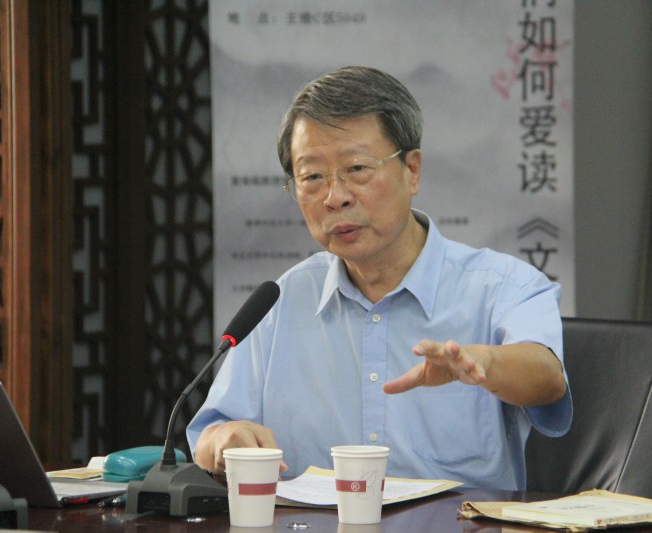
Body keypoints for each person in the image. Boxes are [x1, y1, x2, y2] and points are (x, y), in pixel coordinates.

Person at [187, 66, 572, 490]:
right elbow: (208, 436)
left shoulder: (504, 286)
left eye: (357, 168)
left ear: (412, 170)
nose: (335, 197)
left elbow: (548, 380)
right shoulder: (280, 301)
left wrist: (483, 363)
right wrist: (224, 440)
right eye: (312, 177)